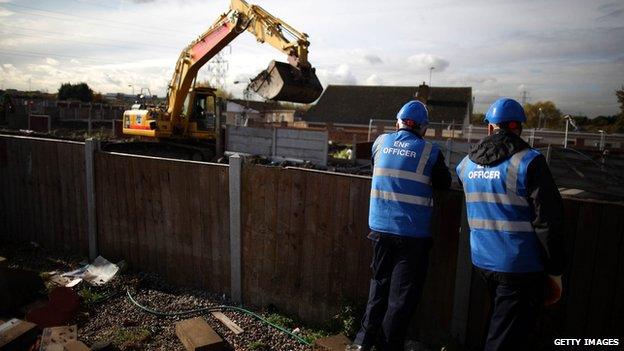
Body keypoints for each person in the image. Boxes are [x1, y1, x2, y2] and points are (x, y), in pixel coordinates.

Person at [456, 98, 565, 350]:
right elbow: (548, 221)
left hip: (482, 261)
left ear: (490, 128)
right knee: (505, 338)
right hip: (519, 266)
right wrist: (555, 268)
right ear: (520, 129)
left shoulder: (465, 165)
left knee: (498, 324)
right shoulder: (530, 161)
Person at [354, 100, 451, 351]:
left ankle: (362, 343)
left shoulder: (380, 143)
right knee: (400, 297)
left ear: (397, 122)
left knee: (379, 286)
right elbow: (444, 183)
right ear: (423, 128)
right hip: (412, 235)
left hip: (379, 229)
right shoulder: (430, 151)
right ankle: (388, 347)